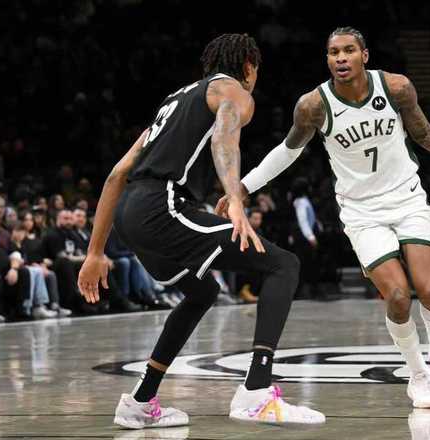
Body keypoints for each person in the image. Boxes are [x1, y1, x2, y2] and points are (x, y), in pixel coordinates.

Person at [77, 34, 324, 428]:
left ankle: (140, 400)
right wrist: (235, 197)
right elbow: (225, 136)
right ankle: (257, 391)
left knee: (202, 291)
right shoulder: (235, 91)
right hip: (163, 206)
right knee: (284, 265)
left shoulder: (174, 101)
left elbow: (116, 174)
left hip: (131, 213)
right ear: (249, 67)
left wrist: (95, 253)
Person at [229, 27, 430, 408]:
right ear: (327, 59)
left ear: (364, 55)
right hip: (361, 212)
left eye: (348, 50)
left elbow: (424, 134)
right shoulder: (313, 105)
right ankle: (417, 373)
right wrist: (243, 187)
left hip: (407, 199)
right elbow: (288, 151)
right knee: (397, 296)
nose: (341, 58)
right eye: (333, 52)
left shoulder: (397, 88)